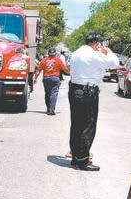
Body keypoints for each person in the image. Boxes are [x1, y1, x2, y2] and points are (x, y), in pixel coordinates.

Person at [67, 33, 119, 171]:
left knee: (76, 124)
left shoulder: (76, 53)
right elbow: (115, 63)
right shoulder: (93, 54)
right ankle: (83, 161)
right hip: (87, 92)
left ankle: (76, 157)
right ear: (96, 44)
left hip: (74, 89)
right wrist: (108, 51)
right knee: (88, 125)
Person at [34, 47, 69, 115]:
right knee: (54, 93)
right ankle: (51, 110)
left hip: (46, 79)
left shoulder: (44, 60)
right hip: (55, 79)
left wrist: (35, 78)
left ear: (48, 53)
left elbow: (38, 70)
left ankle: (48, 108)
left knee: (47, 94)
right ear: (55, 53)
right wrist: (70, 73)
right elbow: (65, 69)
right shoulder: (58, 60)